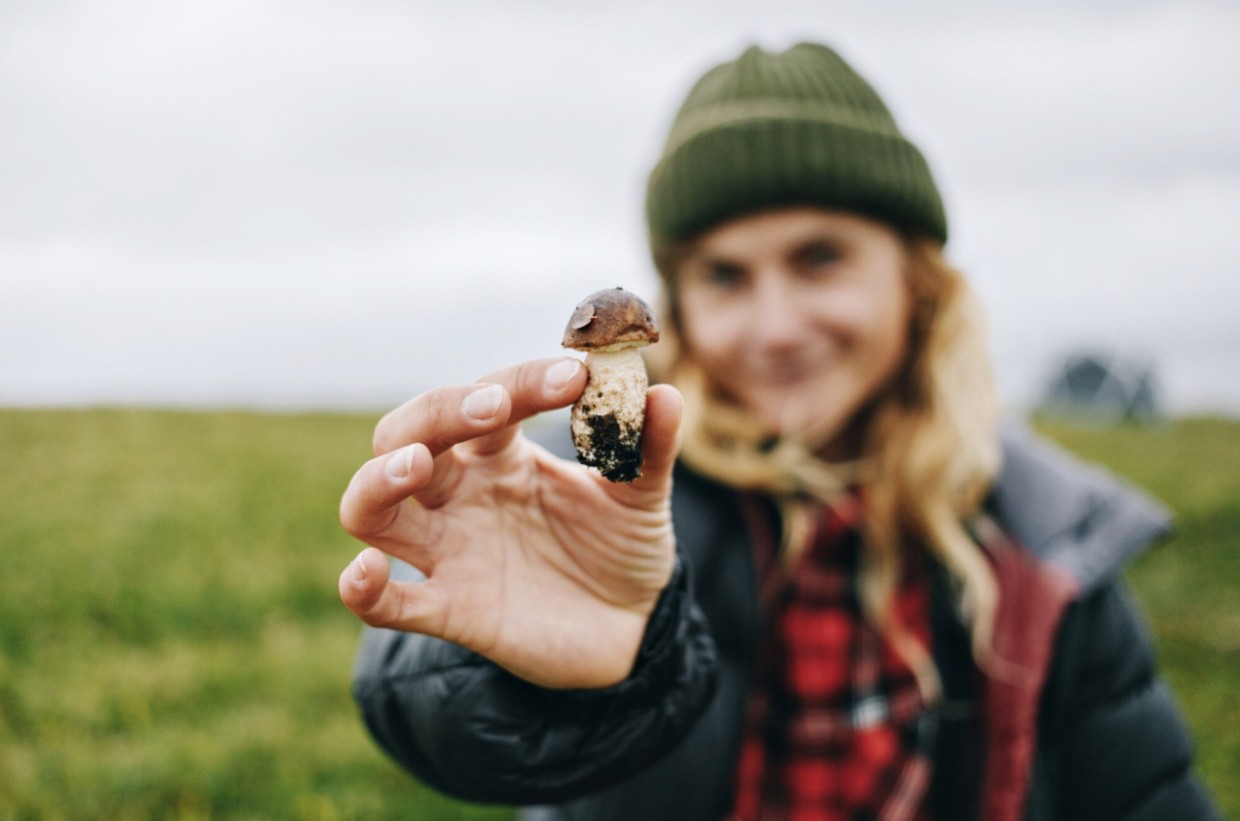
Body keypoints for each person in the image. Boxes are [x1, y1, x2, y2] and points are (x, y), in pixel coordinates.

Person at [337, 42, 1219, 820]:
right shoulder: (597, 491)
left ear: (916, 279)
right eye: (726, 275)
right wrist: (558, 671)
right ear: (680, 305)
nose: (777, 327)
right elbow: (434, 705)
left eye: (820, 258)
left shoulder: (1048, 542)